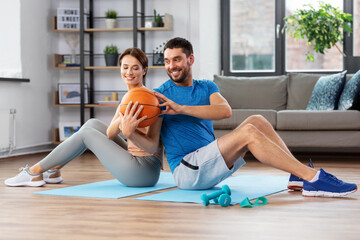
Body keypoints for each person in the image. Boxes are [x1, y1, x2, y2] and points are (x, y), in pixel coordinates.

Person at [123, 37, 357, 197]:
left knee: (257, 120)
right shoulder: (160, 96)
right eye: (166, 61)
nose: (171, 66)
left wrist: (181, 108)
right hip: (188, 171)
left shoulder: (206, 87)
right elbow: (152, 144)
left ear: (190, 60)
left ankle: (297, 175)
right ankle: (313, 178)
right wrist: (130, 132)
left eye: (176, 59)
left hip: (208, 162)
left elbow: (225, 111)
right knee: (248, 133)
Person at [5, 47, 163, 188]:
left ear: (144, 70)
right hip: (133, 159)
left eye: (135, 68)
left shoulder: (151, 100)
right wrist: (123, 120)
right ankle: (54, 170)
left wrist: (130, 132)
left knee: (86, 134)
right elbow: (110, 134)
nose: (129, 72)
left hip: (144, 172)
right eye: (125, 67)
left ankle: (33, 172)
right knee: (92, 124)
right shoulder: (128, 97)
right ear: (120, 69)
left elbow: (151, 147)